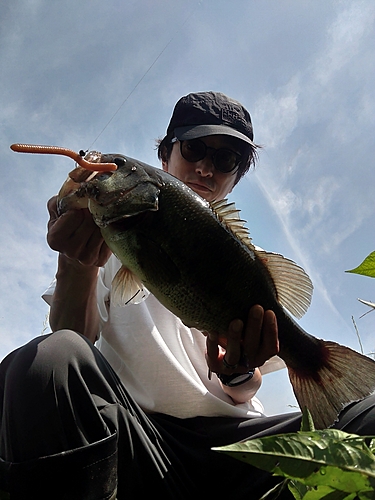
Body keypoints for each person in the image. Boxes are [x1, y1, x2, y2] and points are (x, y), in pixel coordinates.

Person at [0, 91, 374, 499]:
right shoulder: (111, 241)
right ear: (165, 155)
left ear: (235, 177)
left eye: (226, 160)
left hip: (239, 448)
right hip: (138, 441)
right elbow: (72, 334)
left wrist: (238, 369)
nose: (205, 168)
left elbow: (243, 384)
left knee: (368, 424)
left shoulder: (250, 264)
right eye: (194, 147)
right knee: (41, 363)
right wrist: (76, 263)